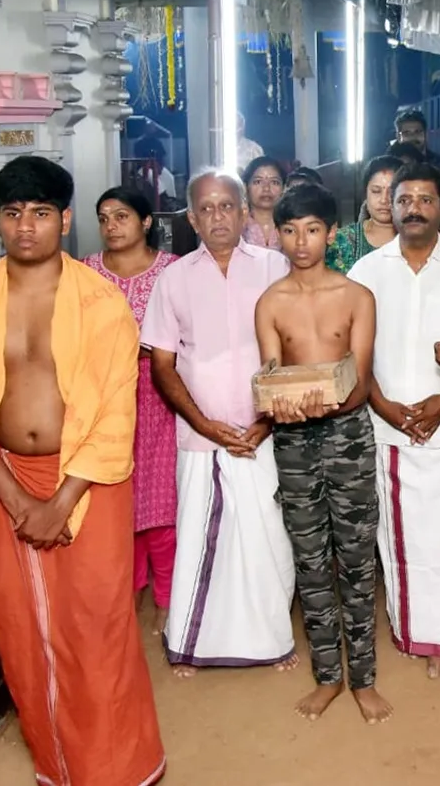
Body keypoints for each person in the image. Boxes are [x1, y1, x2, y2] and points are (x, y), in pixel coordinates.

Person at [0, 156, 165, 785]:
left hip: (89, 481)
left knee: (97, 629)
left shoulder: (100, 302)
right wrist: (21, 500)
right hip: (5, 480)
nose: (27, 226)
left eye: (41, 213)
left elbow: (111, 414)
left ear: (65, 219)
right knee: (20, 629)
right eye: (13, 213)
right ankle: (58, 769)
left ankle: (118, 771)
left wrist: (57, 499)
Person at [140, 168, 297, 678]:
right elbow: (162, 365)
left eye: (226, 206)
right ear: (191, 218)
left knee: (267, 536)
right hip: (200, 437)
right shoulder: (175, 278)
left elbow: (295, 349)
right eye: (205, 209)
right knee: (201, 536)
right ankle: (191, 643)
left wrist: (268, 421)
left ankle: (273, 638)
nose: (217, 217)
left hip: (264, 431)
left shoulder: (276, 267)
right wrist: (205, 425)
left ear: (244, 211)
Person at [254, 184, 391, 724]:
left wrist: (328, 404)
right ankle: (328, 677)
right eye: (289, 231)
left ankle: (364, 679)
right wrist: (276, 401)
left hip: (348, 435)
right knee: (310, 561)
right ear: (278, 235)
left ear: (332, 233)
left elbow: (358, 379)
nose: (300, 241)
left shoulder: (357, 296)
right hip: (292, 442)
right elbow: (270, 373)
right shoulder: (270, 302)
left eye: (311, 229)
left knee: (356, 558)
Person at [349, 164, 440, 682]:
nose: (414, 208)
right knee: (401, 538)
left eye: (427, 199)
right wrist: (380, 405)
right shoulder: (367, 271)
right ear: (390, 206)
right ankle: (409, 631)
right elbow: (353, 355)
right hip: (387, 424)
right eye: (405, 199)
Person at [84, 186, 179, 635]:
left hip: (159, 395)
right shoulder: (83, 272)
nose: (111, 226)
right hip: (101, 400)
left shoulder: (172, 271)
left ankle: (166, 599)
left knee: (160, 504)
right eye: (104, 218)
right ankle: (128, 593)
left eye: (121, 216)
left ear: (146, 222)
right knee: (117, 504)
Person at [328, 156, 402, 273]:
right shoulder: (343, 241)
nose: (384, 200)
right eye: (376, 191)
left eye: (392, 192)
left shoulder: (415, 240)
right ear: (365, 194)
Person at [394, 108, 440, 175]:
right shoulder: (390, 165)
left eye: (418, 132)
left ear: (426, 134)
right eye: (407, 133)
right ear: (398, 137)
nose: (413, 137)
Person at [242, 156, 286, 250]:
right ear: (245, 188)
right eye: (258, 182)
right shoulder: (237, 227)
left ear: (284, 188)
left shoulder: (293, 226)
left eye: (274, 182)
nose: (266, 188)